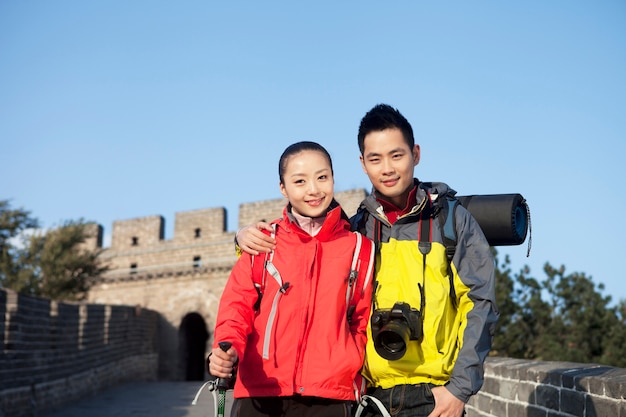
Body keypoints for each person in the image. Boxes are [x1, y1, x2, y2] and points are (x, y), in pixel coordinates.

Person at [236, 104, 499, 417]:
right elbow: (303, 242)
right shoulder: (355, 231)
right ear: (362, 164)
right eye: (375, 159)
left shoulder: (452, 222)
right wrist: (240, 239)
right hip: (368, 400)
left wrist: (459, 389)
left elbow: (480, 304)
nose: (387, 168)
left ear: (416, 154)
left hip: (434, 396)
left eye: (396, 155)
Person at [208, 141, 375, 417]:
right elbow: (236, 308)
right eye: (300, 181)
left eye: (322, 177)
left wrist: (348, 362)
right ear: (283, 188)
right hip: (261, 392)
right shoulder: (262, 242)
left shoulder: (360, 249)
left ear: (333, 178)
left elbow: (362, 318)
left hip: (330, 396)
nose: (313, 189)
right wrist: (227, 348)